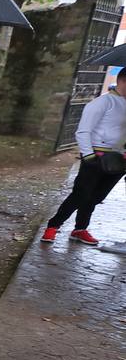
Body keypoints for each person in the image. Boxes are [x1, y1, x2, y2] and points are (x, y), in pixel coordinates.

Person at [41, 70, 126, 246]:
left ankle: (80, 229)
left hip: (118, 158)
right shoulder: (102, 103)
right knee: (80, 194)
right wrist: (89, 155)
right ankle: (53, 226)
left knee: (96, 196)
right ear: (123, 81)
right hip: (96, 155)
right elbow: (83, 131)